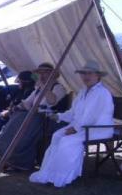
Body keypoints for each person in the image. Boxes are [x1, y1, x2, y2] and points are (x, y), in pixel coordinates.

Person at [30, 59, 114, 187]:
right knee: (57, 136)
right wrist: (58, 116)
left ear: (97, 76)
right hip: (83, 127)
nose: (86, 77)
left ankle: (64, 176)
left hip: (98, 129)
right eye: (84, 74)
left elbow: (91, 116)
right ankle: (49, 172)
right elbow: (73, 112)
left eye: (90, 74)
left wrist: (75, 129)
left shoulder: (101, 93)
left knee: (68, 141)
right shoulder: (82, 91)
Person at [0, 62, 68, 171]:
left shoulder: (58, 88)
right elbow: (27, 103)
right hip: (35, 118)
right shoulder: (38, 89)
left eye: (45, 73)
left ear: (52, 75)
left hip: (49, 119)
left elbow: (52, 101)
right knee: (16, 118)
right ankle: (6, 155)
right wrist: (14, 107)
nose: (42, 75)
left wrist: (44, 86)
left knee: (23, 125)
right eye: (40, 73)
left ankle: (17, 161)